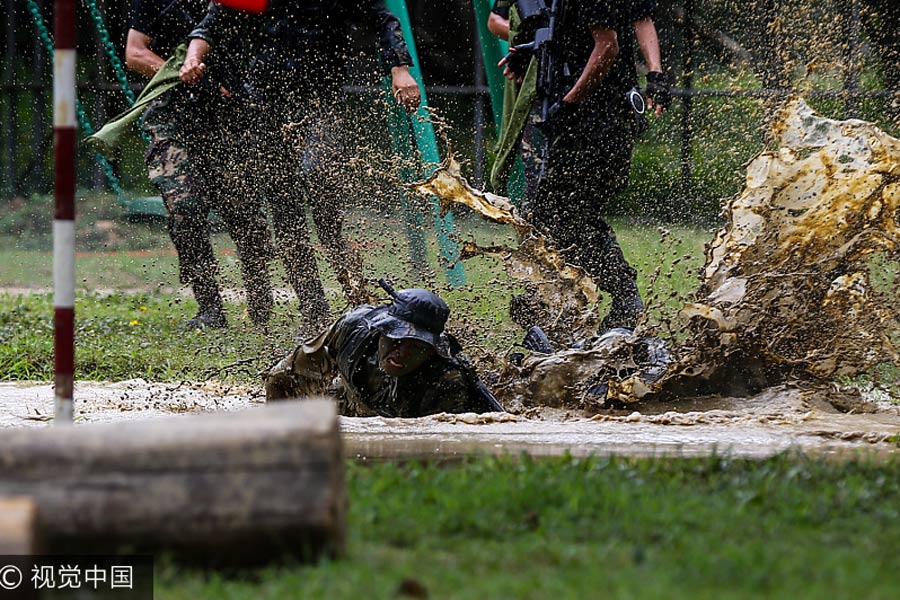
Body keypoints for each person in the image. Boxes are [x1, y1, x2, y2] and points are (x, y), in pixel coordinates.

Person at [179, 2, 423, 332]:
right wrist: (194, 56)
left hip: (322, 100)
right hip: (267, 103)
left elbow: (383, 19)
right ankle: (313, 307)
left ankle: (353, 289)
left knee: (318, 176)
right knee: (286, 212)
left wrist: (400, 69)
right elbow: (209, 25)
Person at [500, 0, 665, 332]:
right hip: (596, 121)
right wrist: (530, 51)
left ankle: (620, 299)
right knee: (560, 214)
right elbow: (573, 35)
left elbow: (608, 47)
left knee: (558, 214)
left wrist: (569, 102)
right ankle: (562, 303)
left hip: (597, 122)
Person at [125, 0, 275, 328]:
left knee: (243, 211)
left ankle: (260, 297)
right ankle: (209, 307)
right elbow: (135, 53)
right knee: (184, 209)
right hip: (172, 114)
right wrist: (182, 75)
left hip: (228, 111)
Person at [265, 281, 504, 417]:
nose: (402, 352)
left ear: (431, 352)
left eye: (416, 347)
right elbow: (282, 377)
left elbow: (431, 445)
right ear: (381, 330)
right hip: (351, 401)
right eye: (396, 339)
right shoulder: (352, 328)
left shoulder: (445, 381)